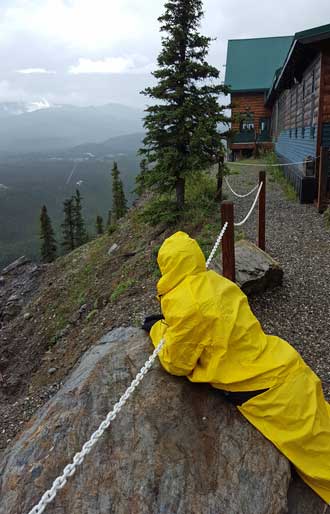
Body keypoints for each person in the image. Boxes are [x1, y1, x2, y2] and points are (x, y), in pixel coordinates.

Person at [147, 231, 330, 505]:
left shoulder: (184, 305)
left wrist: (156, 329)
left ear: (167, 266)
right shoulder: (218, 282)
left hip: (267, 392)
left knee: (321, 460)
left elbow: (175, 360)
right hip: (283, 363)